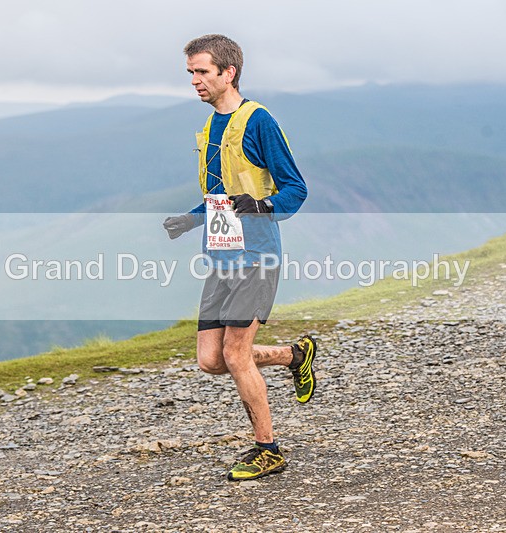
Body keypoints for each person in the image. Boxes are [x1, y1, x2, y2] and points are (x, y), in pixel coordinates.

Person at [163, 34, 317, 481]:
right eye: (190, 73)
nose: (194, 80)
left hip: (257, 255)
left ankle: (268, 450)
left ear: (228, 73)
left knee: (235, 353)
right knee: (211, 360)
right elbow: (221, 198)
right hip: (221, 254)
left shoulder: (259, 121)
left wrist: (263, 206)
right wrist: (191, 219)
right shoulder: (212, 125)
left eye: (202, 72)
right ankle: (294, 355)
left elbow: (296, 189)